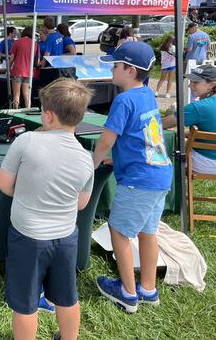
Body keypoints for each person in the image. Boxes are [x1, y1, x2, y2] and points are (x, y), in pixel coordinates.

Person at [0, 78, 95, 340]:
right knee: (66, 296)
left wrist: (29, 194)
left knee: (25, 305)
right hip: (66, 237)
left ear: (49, 116)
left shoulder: (26, 141)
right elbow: (82, 203)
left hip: (28, 237)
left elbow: (4, 184)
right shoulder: (86, 157)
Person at [93, 41, 173, 314]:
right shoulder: (147, 95)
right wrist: (119, 158)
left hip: (138, 179)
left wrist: (92, 163)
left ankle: (127, 292)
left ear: (129, 70)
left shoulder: (123, 99)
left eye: (115, 65)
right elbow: (144, 138)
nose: (111, 70)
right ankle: (148, 289)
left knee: (118, 231)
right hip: (160, 174)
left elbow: (106, 139)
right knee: (148, 231)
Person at [162, 65, 216, 174]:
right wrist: (178, 133)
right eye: (191, 81)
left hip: (208, 163)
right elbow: (210, 133)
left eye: (195, 82)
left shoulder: (198, 107)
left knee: (172, 146)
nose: (190, 85)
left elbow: (162, 124)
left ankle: (172, 188)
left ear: (211, 85)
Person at [9, 26, 39, 108]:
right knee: (27, 95)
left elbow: (12, 58)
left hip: (17, 71)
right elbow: (37, 59)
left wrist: (8, 68)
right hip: (29, 72)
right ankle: (28, 112)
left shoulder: (17, 42)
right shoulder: (35, 43)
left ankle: (15, 112)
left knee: (16, 95)